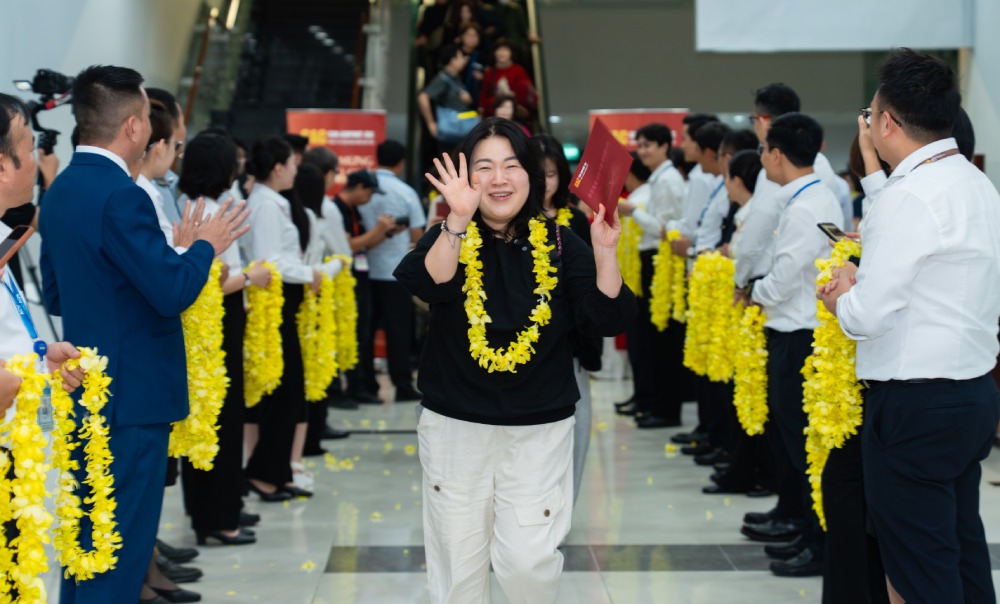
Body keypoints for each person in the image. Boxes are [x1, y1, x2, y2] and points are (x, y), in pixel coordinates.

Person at [395, 118, 635, 603]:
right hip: (455, 427)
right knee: (458, 570)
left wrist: (606, 251)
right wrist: (456, 220)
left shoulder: (562, 242)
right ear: (467, 178)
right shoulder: (449, 235)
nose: (499, 179)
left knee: (528, 560)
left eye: (511, 166)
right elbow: (429, 282)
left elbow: (604, 316)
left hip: (538, 429)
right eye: (484, 167)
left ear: (530, 174)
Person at [39, 65, 248, 604]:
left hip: (86, 387)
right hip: (131, 395)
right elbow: (172, 291)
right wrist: (204, 247)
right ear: (132, 126)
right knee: (121, 550)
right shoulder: (122, 194)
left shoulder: (61, 190)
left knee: (89, 543)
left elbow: (59, 296)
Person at [819, 48, 1000, 603]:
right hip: (971, 394)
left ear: (888, 123)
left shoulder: (909, 195)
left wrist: (841, 298)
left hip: (915, 406)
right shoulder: (975, 183)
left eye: (870, 113)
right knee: (961, 550)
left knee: (918, 570)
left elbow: (867, 316)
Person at [742, 113, 843, 579]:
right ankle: (805, 527)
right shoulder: (813, 196)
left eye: (764, 150)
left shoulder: (805, 206)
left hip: (797, 335)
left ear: (777, 154)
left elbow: (783, 278)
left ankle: (816, 539)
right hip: (801, 331)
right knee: (797, 441)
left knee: (802, 443)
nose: (762, 158)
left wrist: (753, 291)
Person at [176, 132, 272, 547]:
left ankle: (214, 508)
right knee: (223, 417)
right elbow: (214, 279)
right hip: (218, 318)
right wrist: (251, 277)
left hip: (207, 322)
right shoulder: (213, 211)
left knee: (208, 418)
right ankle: (219, 516)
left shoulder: (188, 203)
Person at [242, 135, 320, 501]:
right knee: (283, 392)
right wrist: (309, 274)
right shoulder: (266, 205)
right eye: (291, 164)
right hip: (273, 302)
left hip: (281, 299)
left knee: (290, 391)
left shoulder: (271, 201)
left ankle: (278, 471)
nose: (294, 171)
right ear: (277, 168)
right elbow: (269, 262)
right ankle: (264, 475)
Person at [532, 132, 599, 507]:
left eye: (551, 174)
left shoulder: (576, 222)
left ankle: (562, 511)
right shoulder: (506, 222)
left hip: (569, 346)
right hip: (522, 349)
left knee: (576, 428)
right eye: (536, 173)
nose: (544, 182)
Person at [617, 123, 687, 429]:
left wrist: (633, 211)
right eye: (640, 145)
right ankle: (658, 404)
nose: (642, 151)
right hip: (652, 259)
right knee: (654, 340)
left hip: (663, 260)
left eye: (648, 145)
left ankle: (667, 409)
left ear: (664, 146)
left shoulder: (669, 180)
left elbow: (665, 229)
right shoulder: (660, 179)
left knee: (663, 339)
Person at [357, 140, 426, 402]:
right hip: (396, 273)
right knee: (398, 332)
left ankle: (367, 385)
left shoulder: (364, 188)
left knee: (366, 331)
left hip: (365, 270)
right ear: (401, 163)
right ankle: (402, 385)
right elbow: (418, 235)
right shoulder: (406, 192)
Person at [334, 170, 396, 404]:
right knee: (349, 335)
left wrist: (385, 233)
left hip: (359, 278)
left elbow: (363, 245)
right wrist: (378, 229)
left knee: (361, 334)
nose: (370, 198)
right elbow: (349, 246)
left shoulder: (354, 210)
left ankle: (358, 387)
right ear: (359, 187)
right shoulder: (337, 209)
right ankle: (345, 389)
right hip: (344, 282)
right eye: (370, 192)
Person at [135, 97, 183, 248]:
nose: (174, 154)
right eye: (175, 146)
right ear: (161, 147)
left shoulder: (134, 185)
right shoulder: (145, 194)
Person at [418, 44, 473, 149]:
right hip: (451, 129)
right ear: (452, 60)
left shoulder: (455, 77)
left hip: (459, 128)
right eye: (461, 57)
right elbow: (422, 97)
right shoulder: (442, 78)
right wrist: (431, 123)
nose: (464, 60)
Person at [478, 39, 536, 119]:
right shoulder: (490, 72)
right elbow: (484, 94)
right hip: (494, 114)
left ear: (511, 53)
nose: (502, 53)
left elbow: (527, 93)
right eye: (499, 50)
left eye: (505, 50)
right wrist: (483, 108)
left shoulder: (519, 70)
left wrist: (514, 97)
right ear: (494, 53)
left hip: (516, 114)